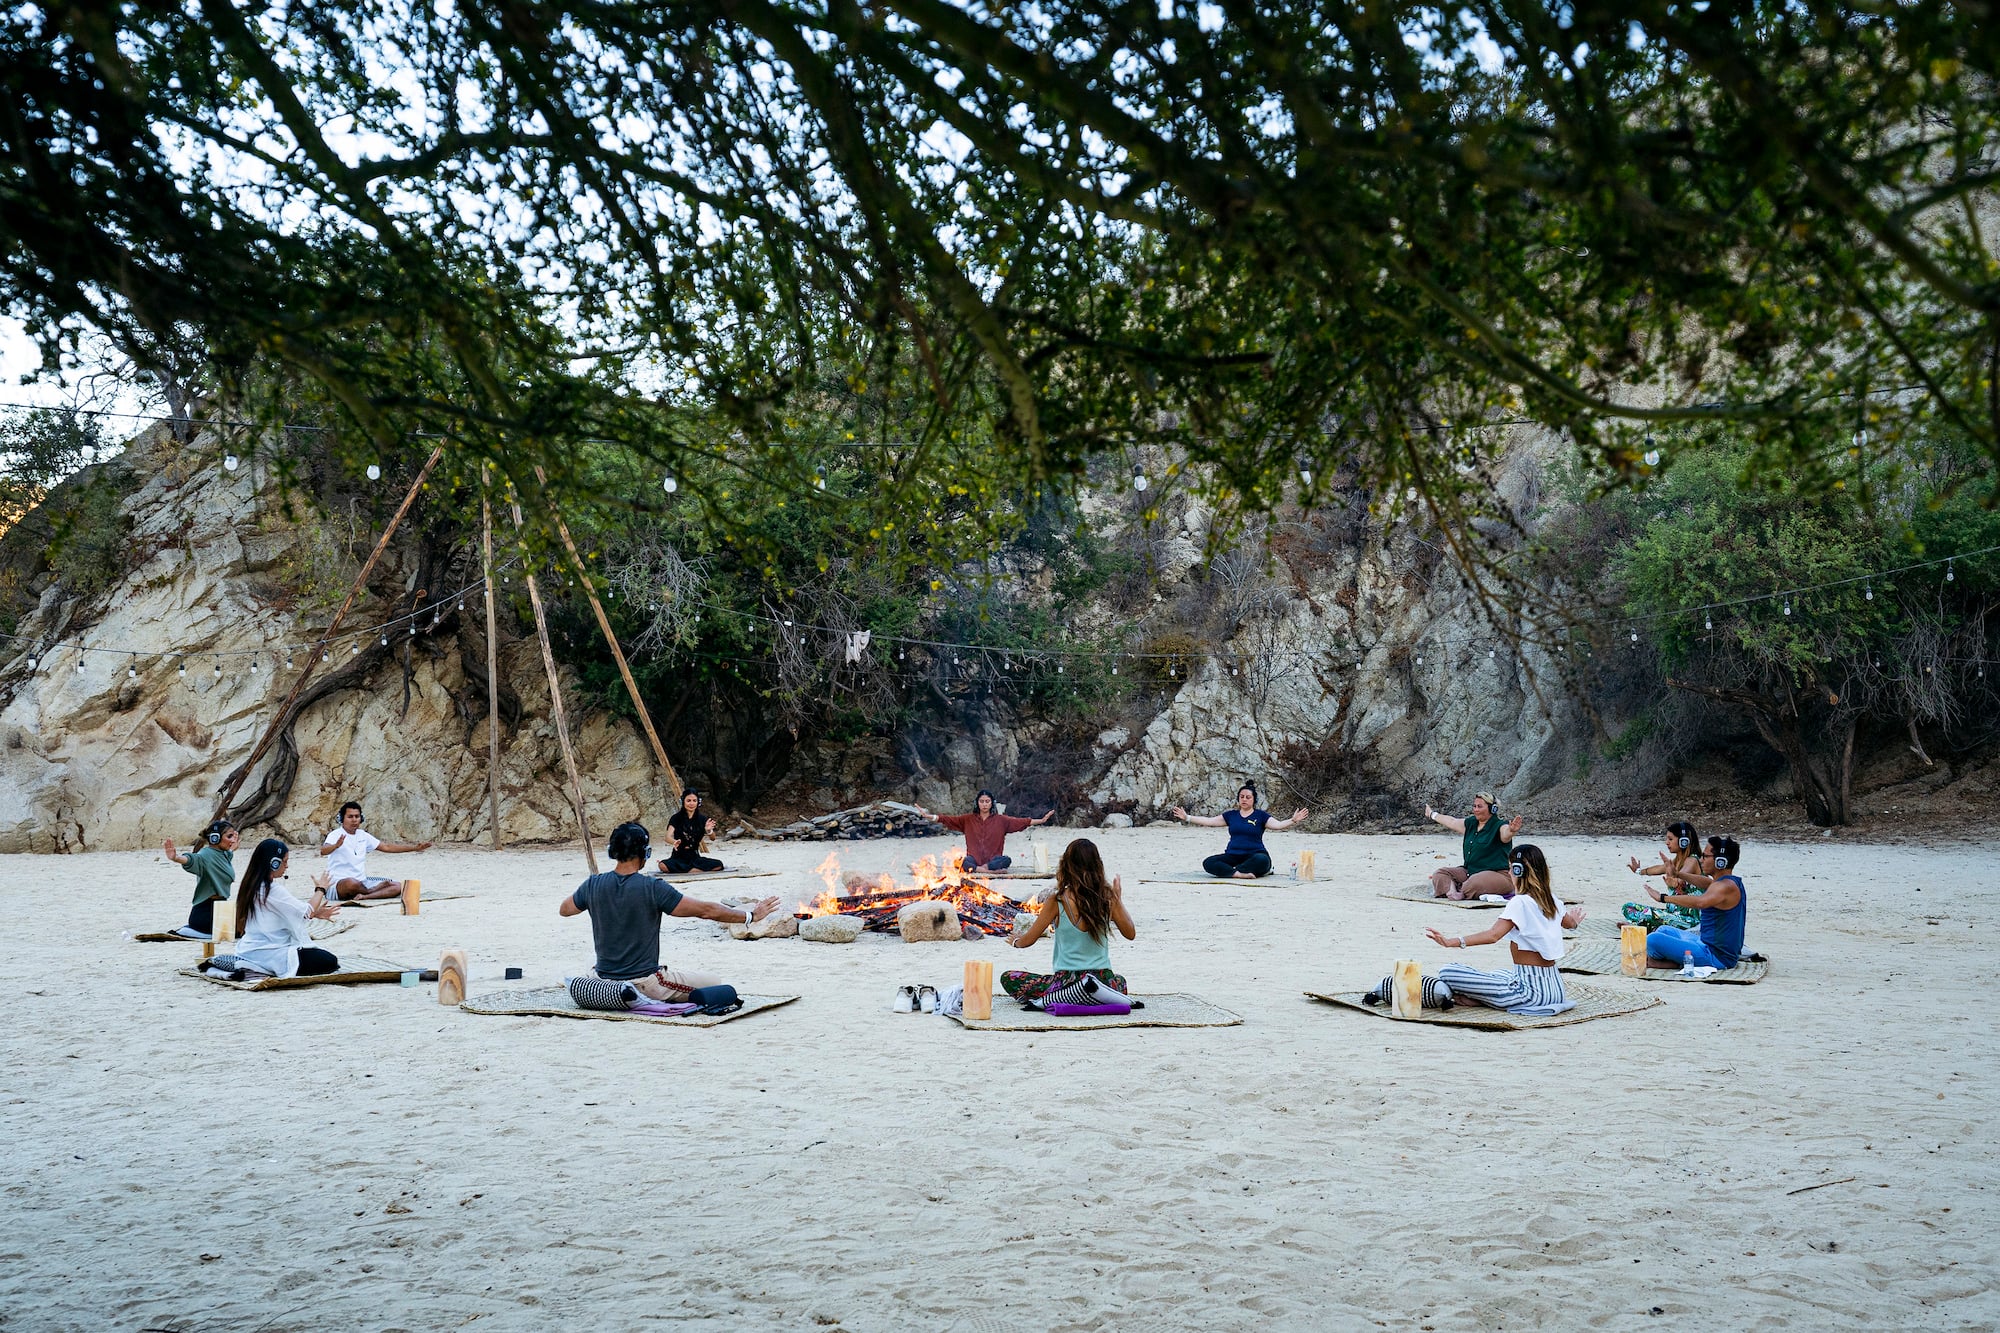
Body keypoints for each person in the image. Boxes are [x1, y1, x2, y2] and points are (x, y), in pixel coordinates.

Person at [561, 821, 781, 1003]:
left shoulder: (593, 884)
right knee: (714, 981)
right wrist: (751, 916)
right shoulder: (652, 887)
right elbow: (706, 911)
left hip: (602, 979)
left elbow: (565, 910)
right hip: (644, 982)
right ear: (645, 853)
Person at [1422, 843, 1587, 1015]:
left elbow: (1493, 935)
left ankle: (1482, 999)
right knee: (1501, 973)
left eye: (1510, 869)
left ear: (1518, 871)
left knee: (1448, 972)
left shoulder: (1520, 902)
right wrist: (1575, 922)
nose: (1508, 873)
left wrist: (1451, 942)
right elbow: (1570, 924)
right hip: (1555, 991)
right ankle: (1482, 998)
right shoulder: (1551, 899)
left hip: (1530, 995)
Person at [1004, 838, 1137, 1005]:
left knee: (1009, 978)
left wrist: (1016, 941)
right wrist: (1118, 899)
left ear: (1066, 865)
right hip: (1102, 981)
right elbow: (1130, 933)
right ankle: (1091, 995)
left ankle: (1071, 996)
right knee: (1120, 981)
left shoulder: (1057, 900)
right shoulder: (1108, 898)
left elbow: (1028, 940)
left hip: (1066, 982)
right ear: (1098, 865)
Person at [231, 838, 342, 978]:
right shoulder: (271, 890)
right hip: (270, 952)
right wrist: (321, 889)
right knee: (329, 961)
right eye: (284, 862)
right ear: (274, 863)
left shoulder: (252, 885)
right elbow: (307, 912)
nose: (287, 866)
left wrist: (315, 913)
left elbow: (288, 912)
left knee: (321, 956)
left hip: (249, 949)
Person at [1640, 836, 1748, 971]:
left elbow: (1700, 902)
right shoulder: (1726, 882)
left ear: (1720, 862)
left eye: (1705, 856)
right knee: (1663, 930)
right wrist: (1678, 874)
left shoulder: (1725, 887)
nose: (1701, 860)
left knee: (1652, 940)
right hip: (1704, 943)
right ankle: (1670, 960)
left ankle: (1673, 963)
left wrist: (1664, 898)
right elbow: (1706, 882)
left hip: (1715, 957)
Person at [1172, 783, 1308, 878]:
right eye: (1242, 797)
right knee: (1209, 862)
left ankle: (1233, 872)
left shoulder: (1260, 816)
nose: (1244, 799)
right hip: (1233, 855)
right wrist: (1187, 817)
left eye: (1248, 797)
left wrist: (1293, 820)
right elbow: (1210, 821)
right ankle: (1238, 874)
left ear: (1254, 800)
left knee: (1262, 860)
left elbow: (1278, 825)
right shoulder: (1231, 815)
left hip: (1255, 854)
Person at [914, 790, 1054, 871]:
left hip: (993, 861)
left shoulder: (1001, 820)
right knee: (960, 861)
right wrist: (929, 816)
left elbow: (1022, 822)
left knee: (1006, 860)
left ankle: (983, 869)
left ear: (992, 803)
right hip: (973, 860)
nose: (985, 804)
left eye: (987, 801)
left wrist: (1041, 820)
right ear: (977, 803)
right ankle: (985, 871)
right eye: (982, 801)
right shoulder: (968, 819)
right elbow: (948, 819)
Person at [320, 800, 432, 901]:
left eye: (357, 816)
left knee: (398, 886)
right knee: (351, 883)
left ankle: (365, 896)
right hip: (339, 884)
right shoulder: (335, 835)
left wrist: (415, 848)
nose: (354, 820)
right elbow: (323, 851)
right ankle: (373, 890)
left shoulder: (363, 835)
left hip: (362, 882)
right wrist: (336, 846)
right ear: (342, 818)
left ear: (361, 818)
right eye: (350, 817)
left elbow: (386, 847)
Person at [1422, 793, 1521, 899]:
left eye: (1480, 806)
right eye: (1474, 806)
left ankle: (1460, 890)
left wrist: (1511, 831)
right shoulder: (1471, 823)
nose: (1476, 810)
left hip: (1498, 874)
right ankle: (1452, 892)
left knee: (1475, 882)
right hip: (1470, 872)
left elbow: (1506, 834)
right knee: (1440, 873)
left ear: (1493, 809)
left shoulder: (1499, 826)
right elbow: (1452, 821)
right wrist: (1432, 814)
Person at [1621, 821, 1704, 929]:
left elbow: (1684, 873)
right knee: (1627, 908)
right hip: (1672, 914)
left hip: (1689, 920)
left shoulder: (1692, 860)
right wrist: (1638, 871)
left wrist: (1676, 880)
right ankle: (1648, 925)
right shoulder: (1675, 862)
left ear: (1684, 841)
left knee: (1649, 916)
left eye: (1670, 839)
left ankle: (1639, 926)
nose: (1667, 843)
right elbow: (1657, 869)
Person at [162, 819, 237, 939]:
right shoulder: (205, 855)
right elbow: (193, 859)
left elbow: (228, 854)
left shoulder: (224, 854)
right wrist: (176, 858)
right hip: (206, 912)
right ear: (215, 838)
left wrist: (232, 848)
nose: (233, 840)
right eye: (229, 836)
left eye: (233, 836)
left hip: (221, 908)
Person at [658, 789, 726, 874]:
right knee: (662, 865)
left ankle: (688, 870)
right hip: (678, 856)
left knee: (719, 864)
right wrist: (674, 842)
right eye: (688, 801)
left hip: (695, 856)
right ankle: (694, 870)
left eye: (694, 801)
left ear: (698, 802)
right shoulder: (676, 818)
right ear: (683, 801)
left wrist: (709, 830)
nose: (691, 803)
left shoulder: (702, 819)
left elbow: (713, 838)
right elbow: (667, 837)